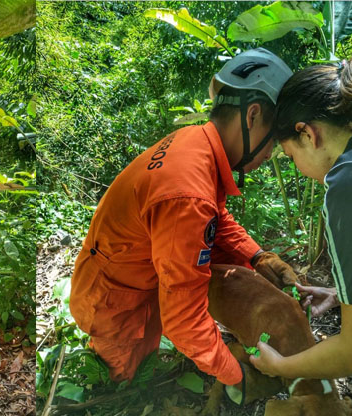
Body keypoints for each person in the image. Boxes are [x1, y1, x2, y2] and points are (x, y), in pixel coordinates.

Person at [69, 48, 298, 395]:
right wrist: (236, 373)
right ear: (252, 115)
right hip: (117, 308)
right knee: (123, 389)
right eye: (275, 143)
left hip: (127, 282)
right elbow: (184, 322)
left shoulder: (195, 143)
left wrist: (257, 257)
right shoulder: (188, 194)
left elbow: (214, 218)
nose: (270, 155)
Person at [245, 57, 352, 380]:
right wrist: (342, 296)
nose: (297, 165)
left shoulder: (343, 186)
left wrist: (280, 366)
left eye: (291, 155)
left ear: (308, 135)